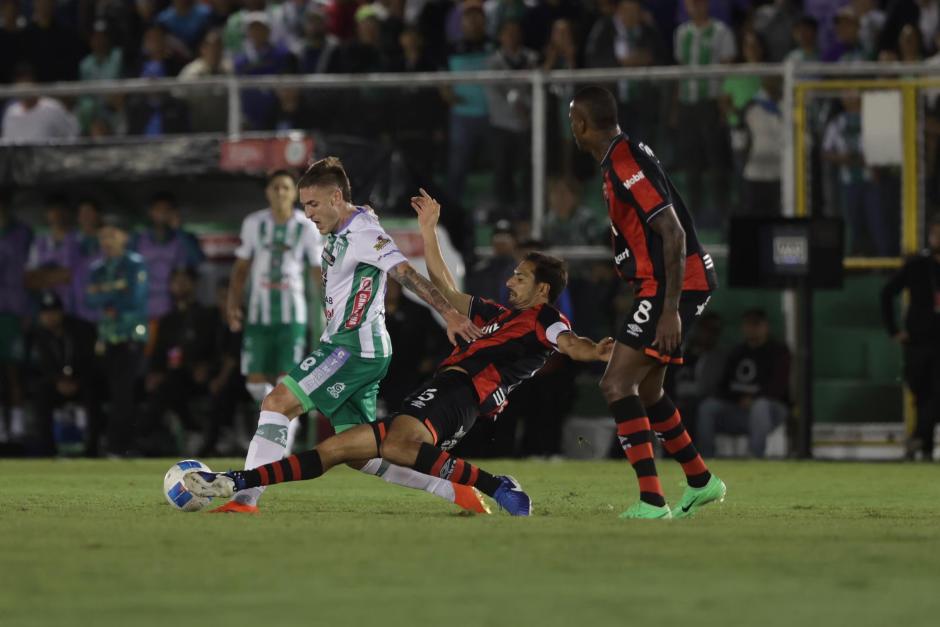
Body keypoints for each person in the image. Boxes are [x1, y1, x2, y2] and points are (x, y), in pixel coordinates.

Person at [186, 187, 613, 516]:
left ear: (542, 289)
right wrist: (428, 229)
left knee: (390, 444)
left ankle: (494, 484)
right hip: (442, 389)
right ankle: (235, 481)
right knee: (340, 451)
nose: (509, 282)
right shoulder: (495, 314)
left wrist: (594, 352)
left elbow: (570, 344)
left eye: (520, 277)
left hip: (463, 396)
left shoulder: (546, 320)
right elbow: (446, 287)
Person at [211, 158, 488, 515]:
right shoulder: (350, 223)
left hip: (352, 347)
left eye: (312, 204)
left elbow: (406, 274)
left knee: (276, 403)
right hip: (354, 347)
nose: (308, 214)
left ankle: (244, 499)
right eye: (304, 205)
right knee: (361, 454)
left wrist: (449, 313)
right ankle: (456, 491)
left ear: (335, 197)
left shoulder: (364, 235)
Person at [569, 86, 724, 519]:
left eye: (571, 121)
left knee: (616, 384)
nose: (571, 130)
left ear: (581, 123)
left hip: (673, 284)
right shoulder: (622, 155)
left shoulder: (626, 161)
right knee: (650, 389)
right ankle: (701, 481)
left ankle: (652, 501)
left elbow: (671, 232)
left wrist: (670, 308)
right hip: (663, 284)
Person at [227, 170, 320, 456]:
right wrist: (233, 304)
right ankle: (282, 426)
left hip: (292, 316)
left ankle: (282, 444)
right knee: (255, 380)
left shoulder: (306, 226)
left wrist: (330, 306)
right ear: (268, 192)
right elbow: (242, 267)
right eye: (275, 187)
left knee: (285, 379)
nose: (280, 193)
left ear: (294, 193)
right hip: (258, 314)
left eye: (286, 188)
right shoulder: (254, 223)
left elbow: (316, 270)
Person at [85, 215, 149, 457]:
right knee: (102, 392)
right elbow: (89, 300)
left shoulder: (135, 264)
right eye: (103, 236)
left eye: (112, 235)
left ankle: (119, 446)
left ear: (125, 236)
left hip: (130, 337)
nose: (107, 241)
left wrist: (104, 293)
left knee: (123, 393)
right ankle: (95, 445)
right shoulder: (97, 268)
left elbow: (134, 299)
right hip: (105, 339)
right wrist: (115, 292)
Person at [140, 267, 218, 455]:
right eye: (176, 282)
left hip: (200, 376)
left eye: (185, 281)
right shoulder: (167, 320)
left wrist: (207, 367)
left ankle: (190, 431)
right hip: (173, 375)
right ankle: (151, 437)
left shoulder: (208, 315)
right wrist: (155, 372)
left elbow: (216, 347)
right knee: (159, 386)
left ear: (195, 284)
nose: (180, 286)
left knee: (170, 386)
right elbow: (159, 352)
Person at [881, 217, 940, 461]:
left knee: (938, 393)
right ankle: (924, 450)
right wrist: (893, 330)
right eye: (937, 234)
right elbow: (886, 293)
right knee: (921, 395)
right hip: (917, 342)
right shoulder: (917, 266)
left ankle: (917, 437)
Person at [696, 309, 791, 458]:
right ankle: (705, 457)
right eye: (748, 324)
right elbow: (723, 386)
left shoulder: (778, 351)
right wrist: (738, 399)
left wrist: (754, 399)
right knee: (707, 407)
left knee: (760, 406)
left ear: (765, 327)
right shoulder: (737, 352)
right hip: (738, 408)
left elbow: (778, 387)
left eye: (756, 324)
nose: (752, 329)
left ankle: (755, 456)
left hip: (770, 410)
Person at [28, 291, 98, 456]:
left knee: (93, 391)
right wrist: (56, 381)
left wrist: (77, 381)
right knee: (41, 394)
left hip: (81, 381)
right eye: (45, 313)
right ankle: (47, 449)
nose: (50, 317)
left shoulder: (81, 330)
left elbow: (92, 361)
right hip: (53, 384)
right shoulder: (36, 335)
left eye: (53, 312)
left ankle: (93, 448)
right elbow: (35, 368)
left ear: (61, 313)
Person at [485, 19, 538, 216]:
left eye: (516, 32)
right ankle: (503, 210)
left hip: (528, 124)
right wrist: (516, 108)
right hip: (502, 124)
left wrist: (528, 110)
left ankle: (528, 209)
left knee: (528, 170)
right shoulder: (493, 61)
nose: (512, 37)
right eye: (508, 33)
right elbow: (495, 94)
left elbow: (537, 90)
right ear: (500, 37)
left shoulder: (531, 58)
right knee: (502, 170)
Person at [131, 192, 198, 322]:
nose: (162, 214)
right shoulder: (138, 239)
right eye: (158, 210)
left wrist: (179, 230)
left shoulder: (184, 238)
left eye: (167, 210)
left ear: (173, 213)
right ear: (151, 212)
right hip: (143, 307)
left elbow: (198, 260)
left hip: (174, 307)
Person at [0, 190, 32, 445]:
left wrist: (26, 311)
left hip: (14, 310)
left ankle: (18, 427)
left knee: (14, 372)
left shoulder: (22, 233)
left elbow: (31, 272)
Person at [1, 64, 79, 143]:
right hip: (17, 154)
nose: (23, 87)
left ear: (34, 82)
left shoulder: (52, 107)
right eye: (19, 82)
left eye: (27, 81)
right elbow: (6, 142)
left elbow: (72, 134)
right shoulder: (11, 111)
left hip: (48, 154)